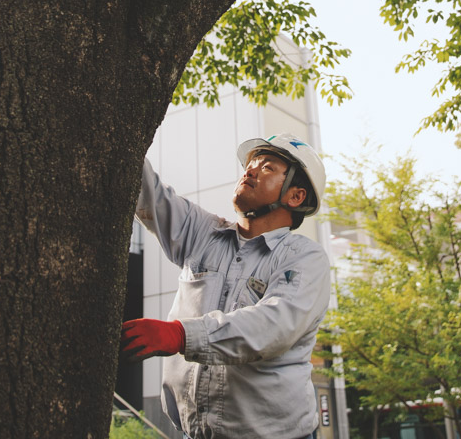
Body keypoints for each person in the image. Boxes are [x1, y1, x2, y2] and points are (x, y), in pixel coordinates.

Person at [120, 133, 331, 439]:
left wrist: (180, 334)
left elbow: (273, 326)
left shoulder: (304, 259)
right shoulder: (204, 235)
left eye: (268, 167)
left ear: (295, 197)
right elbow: (146, 191)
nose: (251, 170)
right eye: (251, 163)